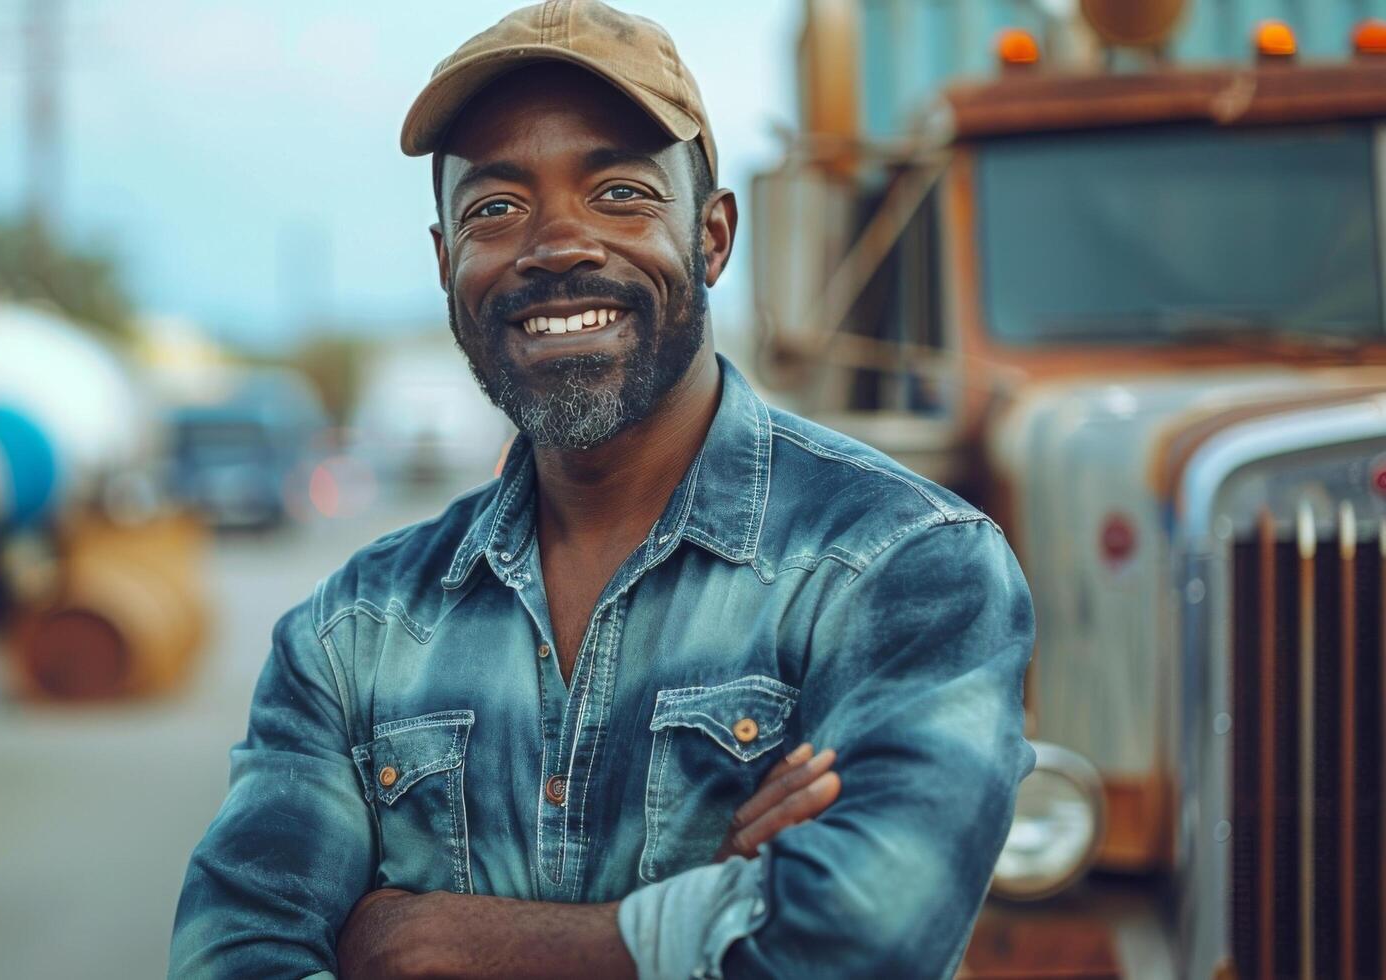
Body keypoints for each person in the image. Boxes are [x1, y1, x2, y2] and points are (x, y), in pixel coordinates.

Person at [169, 2, 1035, 977]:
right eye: (494, 207)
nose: (558, 244)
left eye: (620, 191)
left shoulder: (903, 564)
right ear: (446, 260)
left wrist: (447, 936)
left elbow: (865, 931)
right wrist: (717, 907)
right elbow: (232, 950)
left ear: (711, 237)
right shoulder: (353, 633)